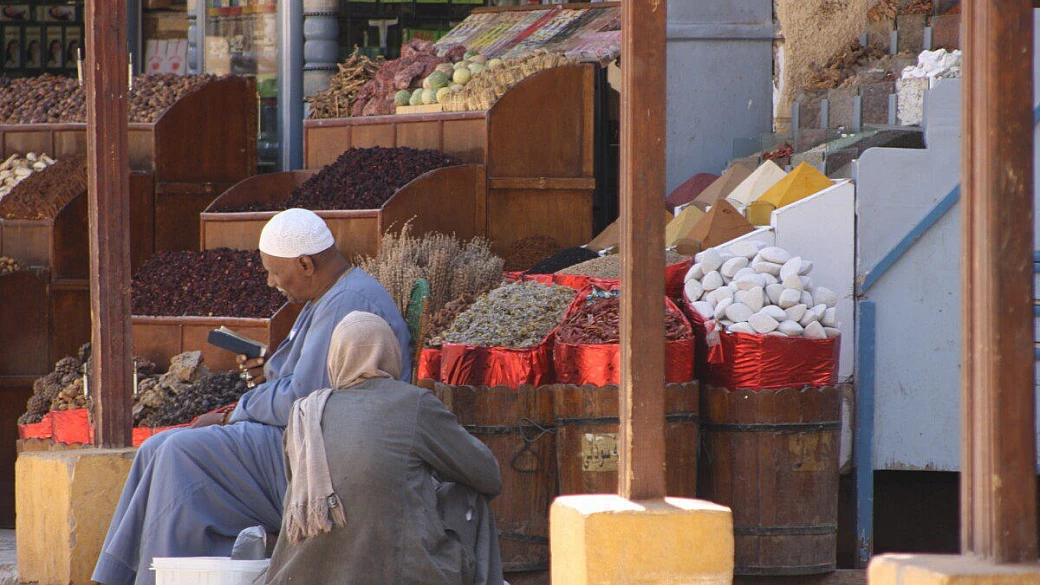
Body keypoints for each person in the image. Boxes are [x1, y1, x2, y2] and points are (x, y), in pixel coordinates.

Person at [92, 209, 412, 585]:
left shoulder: (348, 302)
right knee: (155, 447)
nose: (271, 282)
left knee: (180, 453)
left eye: (274, 272)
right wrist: (266, 372)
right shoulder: (324, 297)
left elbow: (303, 400)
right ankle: (115, 577)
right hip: (293, 436)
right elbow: (294, 379)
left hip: (316, 453)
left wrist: (234, 413)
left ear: (305, 264)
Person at [266, 311, 503, 585]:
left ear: (335, 357)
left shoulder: (304, 413)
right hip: (396, 574)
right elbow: (487, 475)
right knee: (470, 500)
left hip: (299, 576)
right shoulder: (413, 404)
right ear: (391, 354)